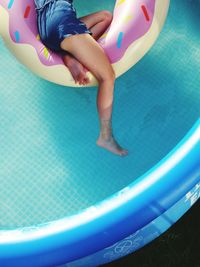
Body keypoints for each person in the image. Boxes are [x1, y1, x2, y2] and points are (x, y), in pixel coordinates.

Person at [35, 0, 128, 156]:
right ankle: (106, 136)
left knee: (105, 16)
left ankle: (69, 54)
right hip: (62, 22)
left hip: (46, 26)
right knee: (107, 77)